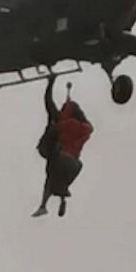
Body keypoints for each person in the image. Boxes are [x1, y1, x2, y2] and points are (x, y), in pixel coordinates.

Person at [31, 75, 93, 218]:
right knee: (59, 180)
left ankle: (43, 205)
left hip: (61, 158)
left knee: (51, 176)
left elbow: (48, 102)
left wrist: (50, 83)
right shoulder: (85, 128)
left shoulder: (63, 122)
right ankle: (61, 199)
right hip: (75, 165)